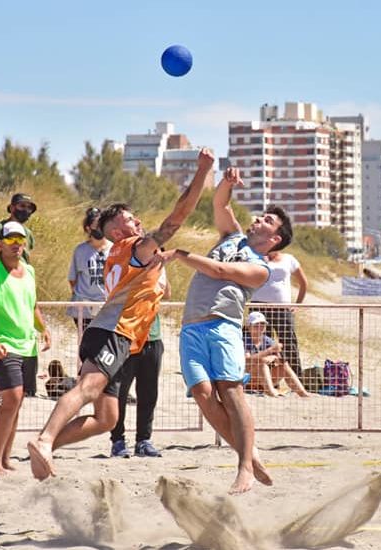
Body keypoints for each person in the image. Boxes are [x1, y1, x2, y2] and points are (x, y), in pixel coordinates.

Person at [26, 148, 214, 481]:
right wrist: (202, 173)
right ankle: (44, 439)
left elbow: (163, 254)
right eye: (130, 219)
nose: (137, 221)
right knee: (86, 388)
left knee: (107, 419)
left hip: (114, 334)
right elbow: (176, 219)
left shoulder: (128, 255)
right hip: (114, 331)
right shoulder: (131, 247)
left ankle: (46, 448)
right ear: (116, 232)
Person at [146, 167, 294, 495]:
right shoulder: (232, 237)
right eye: (261, 216)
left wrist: (180, 254)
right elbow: (220, 205)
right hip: (191, 328)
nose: (259, 220)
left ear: (275, 239)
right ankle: (250, 455)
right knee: (201, 393)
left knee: (230, 391)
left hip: (222, 326)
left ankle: (243, 467)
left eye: (267, 221)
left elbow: (220, 270)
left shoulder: (262, 268)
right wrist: (226, 183)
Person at [0, 221, 52, 475]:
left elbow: (32, 305)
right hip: (1, 345)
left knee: (17, 403)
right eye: (11, 240)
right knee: (11, 399)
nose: (16, 245)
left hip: (27, 345)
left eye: (20, 240)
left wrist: (43, 328)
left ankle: (5, 458)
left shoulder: (28, 270)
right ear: (1, 243)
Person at [0, 192, 40, 396]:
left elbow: (28, 260)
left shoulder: (28, 233)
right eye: (21, 206)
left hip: (22, 283)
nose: (25, 210)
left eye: (29, 207)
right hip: (3, 283)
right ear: (11, 206)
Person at [108, 281, 169, 459]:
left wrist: (160, 270)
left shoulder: (156, 273)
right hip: (127, 338)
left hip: (152, 338)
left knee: (148, 393)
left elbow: (167, 293)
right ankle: (117, 440)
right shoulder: (130, 267)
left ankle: (143, 440)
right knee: (120, 392)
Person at [249, 250, 308, 376]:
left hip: (282, 308)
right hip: (259, 307)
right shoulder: (255, 257)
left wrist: (297, 304)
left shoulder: (289, 258)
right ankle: (264, 380)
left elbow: (303, 282)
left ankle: (297, 378)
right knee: (261, 343)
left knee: (288, 342)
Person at [244, 311, 310, 398]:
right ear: (249, 327)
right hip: (247, 379)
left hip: (262, 379)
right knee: (262, 364)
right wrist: (268, 352)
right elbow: (247, 360)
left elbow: (280, 359)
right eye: (256, 325)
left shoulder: (267, 340)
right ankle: (271, 392)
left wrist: (275, 357)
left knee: (284, 365)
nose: (260, 327)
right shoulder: (244, 340)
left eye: (262, 324)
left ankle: (303, 393)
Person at [68, 207, 110, 331]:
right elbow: (72, 279)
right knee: (86, 341)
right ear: (88, 228)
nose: (100, 229)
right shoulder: (81, 250)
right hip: (84, 307)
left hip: (106, 305)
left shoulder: (114, 249)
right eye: (96, 226)